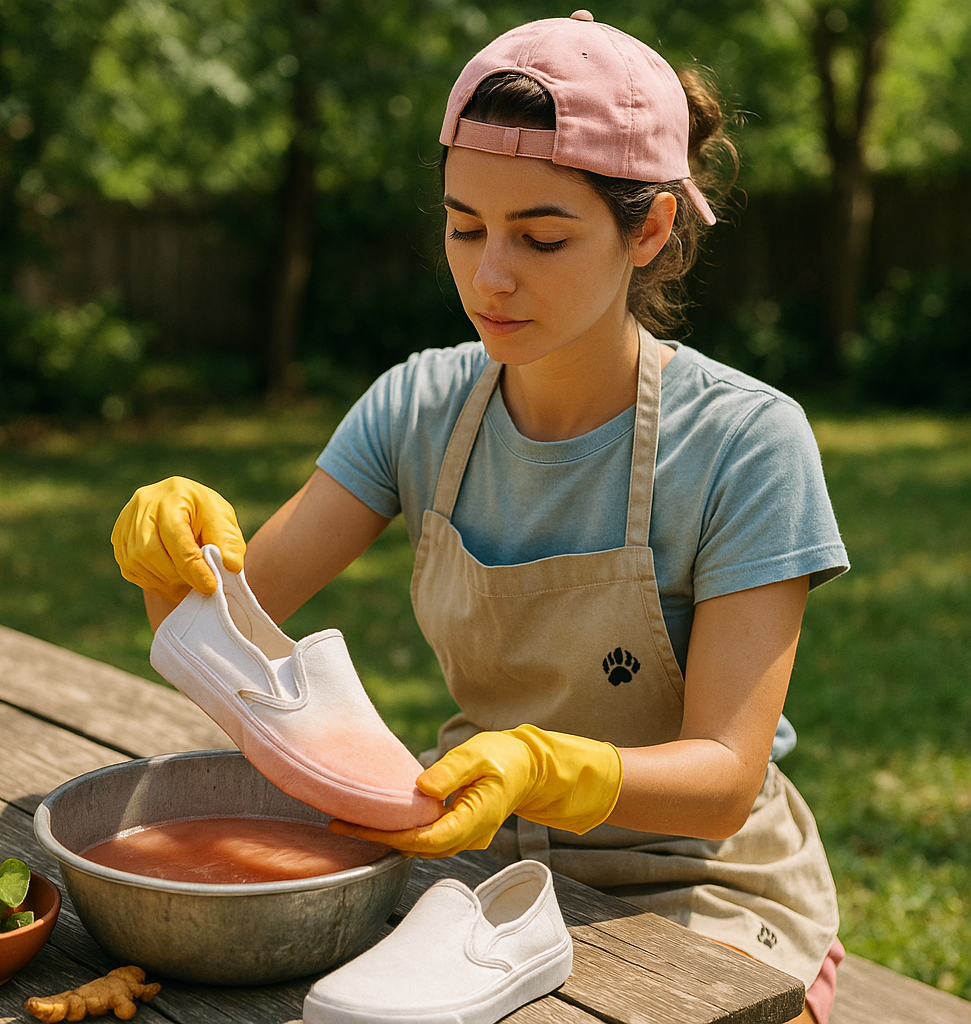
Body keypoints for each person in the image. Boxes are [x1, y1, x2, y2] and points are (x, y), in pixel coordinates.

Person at [112, 11, 848, 1022]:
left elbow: (723, 778)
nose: (489, 275)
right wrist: (172, 559)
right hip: (480, 866)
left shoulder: (747, 444)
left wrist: (542, 763)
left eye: (541, 236)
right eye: (465, 227)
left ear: (649, 229)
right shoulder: (414, 408)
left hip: (700, 889)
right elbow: (213, 641)